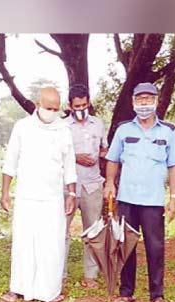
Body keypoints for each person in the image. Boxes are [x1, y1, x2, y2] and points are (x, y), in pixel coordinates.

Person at [104, 82, 175, 302]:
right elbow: (113, 159)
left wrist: (174, 198)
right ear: (133, 102)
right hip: (127, 198)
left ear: (156, 101)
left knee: (155, 248)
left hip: (153, 200)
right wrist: (110, 183)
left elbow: (174, 165)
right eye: (140, 99)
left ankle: (157, 295)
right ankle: (126, 292)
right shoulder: (124, 130)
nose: (144, 104)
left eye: (149, 99)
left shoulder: (168, 131)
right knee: (126, 245)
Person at [1, 86, 77, 302]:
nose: (51, 112)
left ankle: (49, 291)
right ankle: (18, 288)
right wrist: (5, 192)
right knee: (24, 242)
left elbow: (69, 165)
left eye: (55, 108)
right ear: (37, 104)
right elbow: (10, 162)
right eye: (48, 107)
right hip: (26, 196)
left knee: (52, 245)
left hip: (53, 198)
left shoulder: (63, 130)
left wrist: (71, 193)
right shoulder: (22, 127)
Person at [64, 83, 108, 289]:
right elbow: (56, 155)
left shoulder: (98, 124)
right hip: (68, 187)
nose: (81, 109)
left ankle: (90, 275)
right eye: (76, 106)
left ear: (88, 103)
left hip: (92, 185)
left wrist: (101, 155)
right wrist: (76, 157)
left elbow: (104, 149)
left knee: (93, 231)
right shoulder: (62, 126)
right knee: (61, 231)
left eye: (84, 104)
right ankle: (59, 274)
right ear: (70, 106)